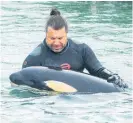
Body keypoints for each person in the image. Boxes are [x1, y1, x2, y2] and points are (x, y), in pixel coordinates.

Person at [22, 8, 128, 88]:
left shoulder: (81, 49)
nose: (56, 43)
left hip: (77, 98)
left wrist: (112, 76)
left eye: (60, 38)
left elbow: (98, 70)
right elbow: (23, 82)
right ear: (46, 35)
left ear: (66, 34)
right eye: (52, 38)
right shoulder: (35, 57)